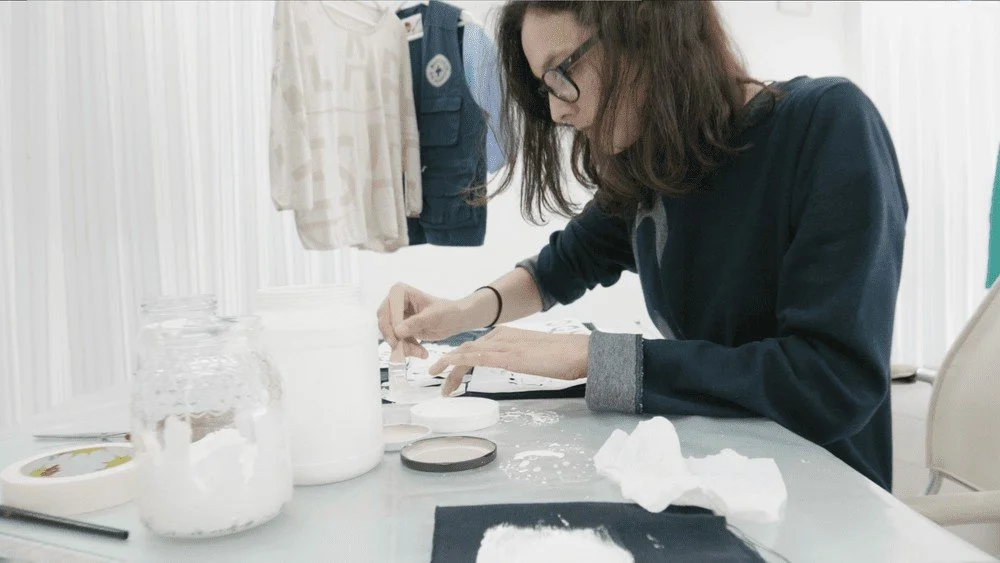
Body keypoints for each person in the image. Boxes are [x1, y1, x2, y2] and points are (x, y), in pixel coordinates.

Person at [377, 1, 906, 491]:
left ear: (644, 30)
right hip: (715, 469)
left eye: (562, 73)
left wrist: (595, 358)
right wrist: (462, 311)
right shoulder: (657, 162)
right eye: (545, 87)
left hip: (823, 488)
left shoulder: (828, 125)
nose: (558, 112)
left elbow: (830, 382)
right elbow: (565, 264)